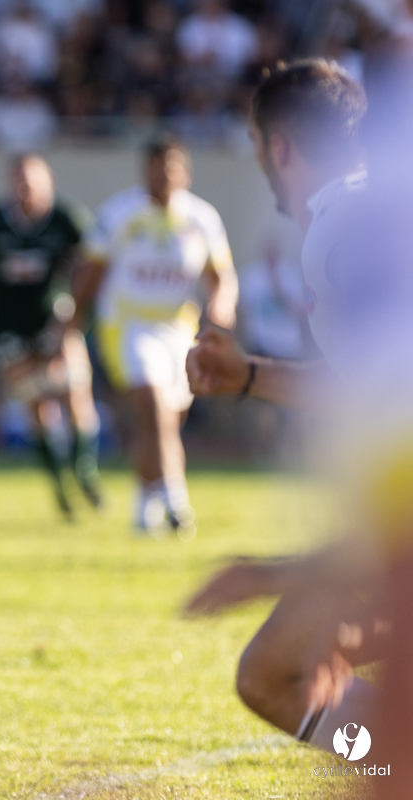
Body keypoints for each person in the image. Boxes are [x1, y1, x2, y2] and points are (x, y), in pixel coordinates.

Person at [184, 59, 385, 763]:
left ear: (279, 147)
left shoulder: (344, 231)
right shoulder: (362, 214)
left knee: (276, 675)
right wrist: (249, 378)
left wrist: (280, 572)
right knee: (280, 671)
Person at [73, 136, 238, 537]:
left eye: (168, 168)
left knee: (165, 420)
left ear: (184, 172)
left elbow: (222, 279)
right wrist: (74, 319)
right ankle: (176, 502)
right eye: (152, 167)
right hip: (127, 324)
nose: (160, 176)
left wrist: (220, 310)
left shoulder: (201, 218)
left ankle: (144, 501)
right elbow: (90, 272)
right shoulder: (119, 214)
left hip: (179, 327)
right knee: (154, 403)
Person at [0, 153, 103, 518]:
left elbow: (92, 260)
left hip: (55, 320)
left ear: (49, 182)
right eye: (19, 180)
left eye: (33, 180)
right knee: (38, 406)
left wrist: (74, 308)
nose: (26, 188)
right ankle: (60, 488)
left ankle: (85, 473)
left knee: (76, 392)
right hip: (10, 328)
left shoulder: (67, 220)